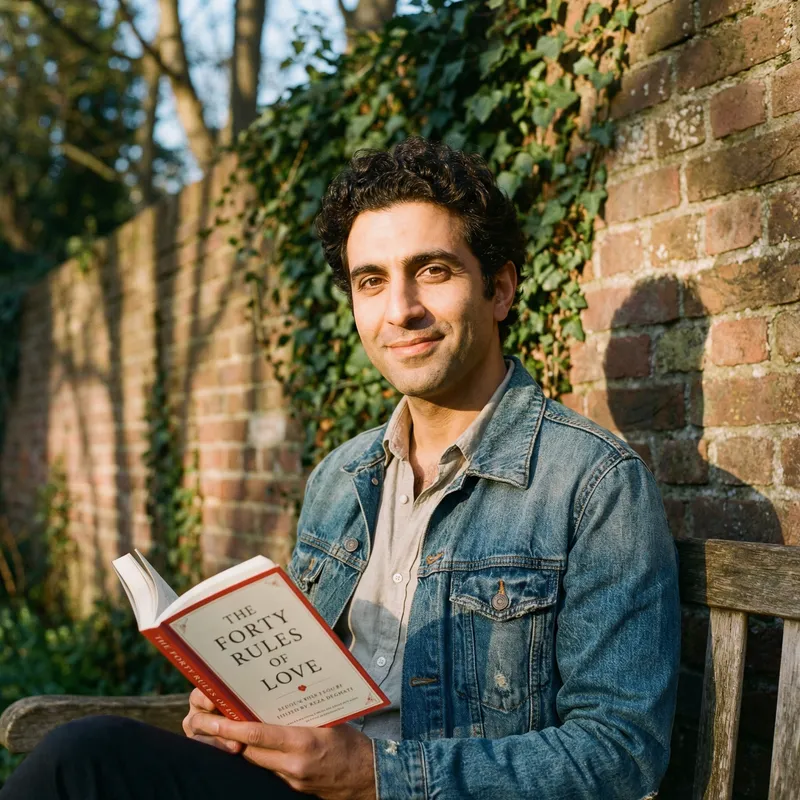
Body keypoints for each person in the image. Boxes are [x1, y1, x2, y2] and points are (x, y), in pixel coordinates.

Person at [0, 136, 680, 800]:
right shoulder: (342, 476)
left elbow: (620, 755)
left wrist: (377, 776)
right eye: (372, 281)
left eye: (433, 271)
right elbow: (307, 687)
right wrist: (238, 712)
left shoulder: (592, 484)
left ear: (499, 290)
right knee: (80, 759)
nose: (401, 310)